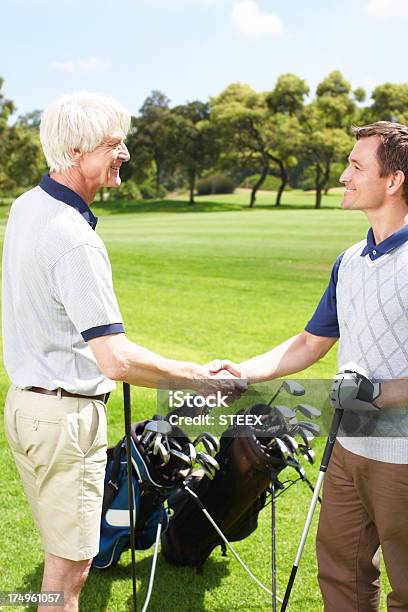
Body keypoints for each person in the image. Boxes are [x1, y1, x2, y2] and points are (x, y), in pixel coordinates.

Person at [2, 92, 242, 612]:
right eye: (113, 144)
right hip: (63, 419)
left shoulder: (27, 206)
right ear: (74, 151)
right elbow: (116, 360)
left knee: (58, 558)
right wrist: (199, 378)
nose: (125, 153)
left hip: (28, 407)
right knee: (70, 573)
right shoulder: (74, 240)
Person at [212, 122, 408, 611]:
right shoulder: (350, 261)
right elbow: (309, 342)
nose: (343, 176)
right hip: (348, 449)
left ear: (394, 180)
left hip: (402, 459)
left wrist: (378, 394)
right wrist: (242, 373)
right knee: (340, 574)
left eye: (356, 166)